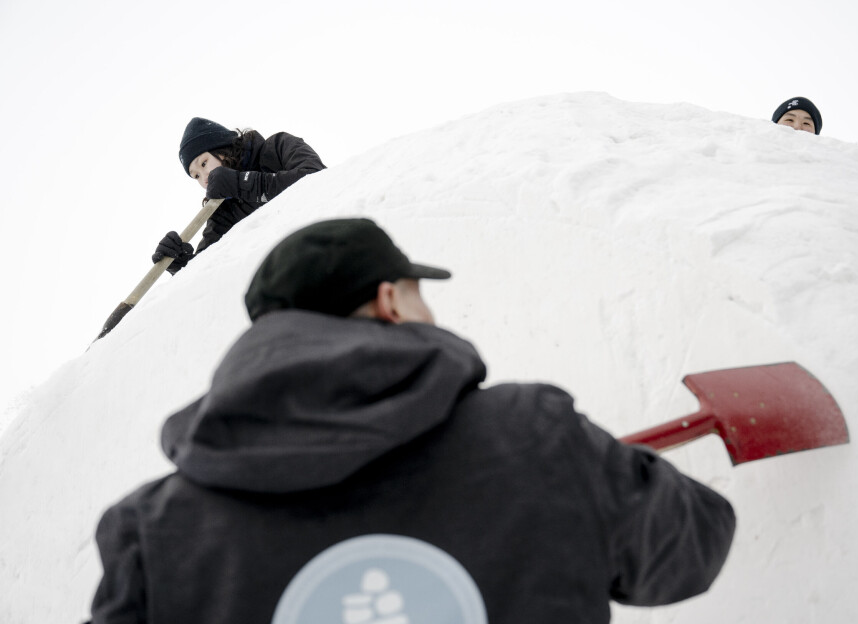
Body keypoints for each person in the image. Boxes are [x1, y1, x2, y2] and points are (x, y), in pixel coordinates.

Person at [90, 218, 736, 623]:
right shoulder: (537, 434)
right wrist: (582, 480)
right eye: (419, 290)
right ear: (390, 300)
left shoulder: (152, 531)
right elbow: (694, 548)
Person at [152, 118, 326, 274]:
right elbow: (208, 270)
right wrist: (180, 264)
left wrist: (241, 183)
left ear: (223, 150)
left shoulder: (278, 147)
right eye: (196, 175)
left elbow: (318, 179)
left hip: (325, 251)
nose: (204, 179)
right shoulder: (223, 212)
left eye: (204, 163)